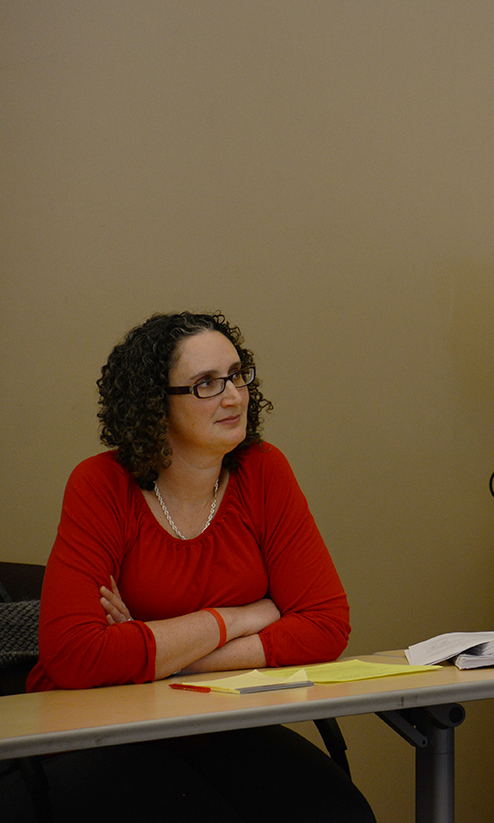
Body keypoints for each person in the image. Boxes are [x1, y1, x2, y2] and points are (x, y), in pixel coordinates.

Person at [7, 312, 374, 823]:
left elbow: (325, 625)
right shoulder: (100, 485)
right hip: (96, 730)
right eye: (206, 384)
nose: (234, 396)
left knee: (338, 813)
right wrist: (239, 618)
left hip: (212, 720)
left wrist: (155, 650)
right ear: (155, 405)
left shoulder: (264, 471)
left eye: (236, 373)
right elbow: (74, 656)